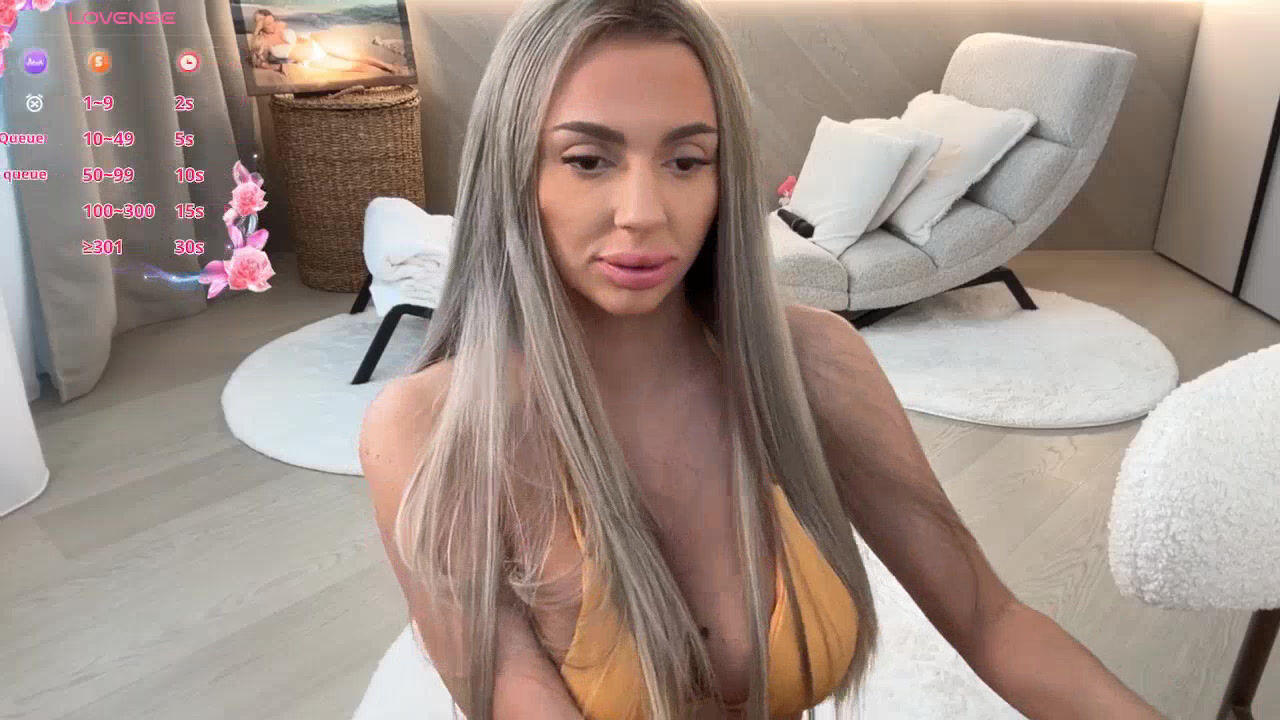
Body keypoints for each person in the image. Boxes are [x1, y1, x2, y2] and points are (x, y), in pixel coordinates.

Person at [359, 1, 1167, 718]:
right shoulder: (434, 430)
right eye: (588, 160)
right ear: (513, 172)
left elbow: (992, 619)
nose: (643, 213)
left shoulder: (813, 364)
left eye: (686, 161)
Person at [247, 9, 400, 75]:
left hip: (317, 42)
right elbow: (259, 62)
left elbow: (303, 24)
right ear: (259, 26)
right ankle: (387, 78)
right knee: (354, 67)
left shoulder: (281, 25)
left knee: (356, 56)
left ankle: (389, 67)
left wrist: (304, 37)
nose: (272, 25)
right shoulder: (263, 42)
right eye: (266, 24)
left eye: (271, 21)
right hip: (312, 60)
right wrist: (280, 68)